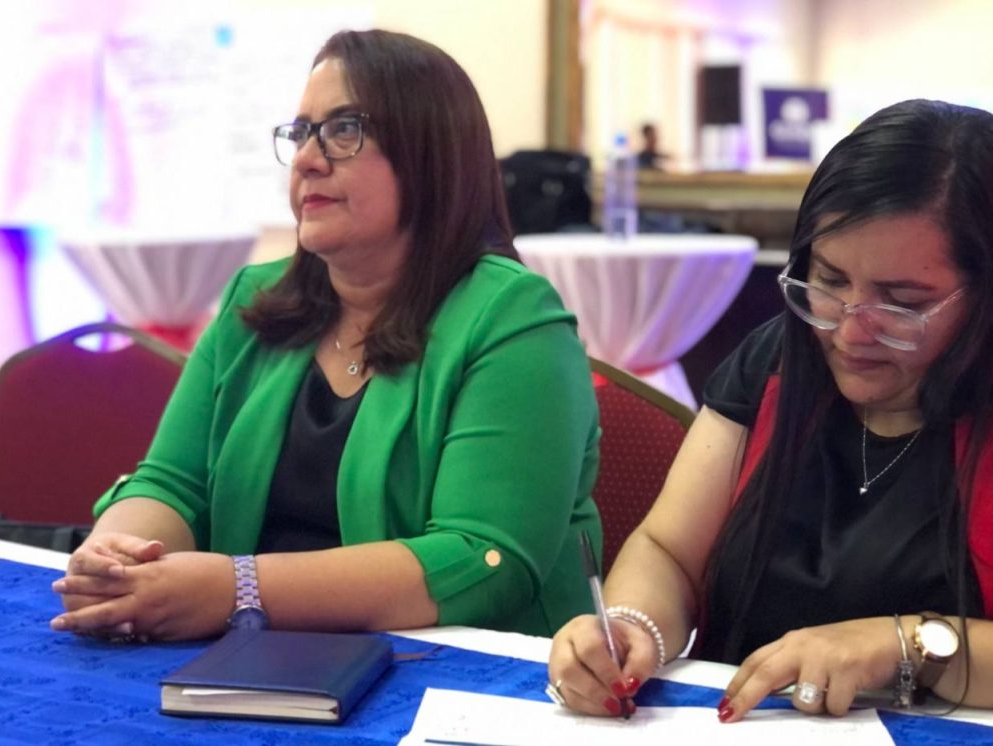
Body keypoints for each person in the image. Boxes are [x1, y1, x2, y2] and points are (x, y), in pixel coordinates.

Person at [50, 29, 601, 642]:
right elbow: (173, 483)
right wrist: (117, 556)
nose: (308, 159)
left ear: (429, 154)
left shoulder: (512, 317)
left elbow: (483, 560)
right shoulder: (254, 299)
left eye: (343, 130)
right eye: (301, 133)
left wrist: (239, 590)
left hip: (458, 669)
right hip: (258, 651)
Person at [548, 98, 993, 721]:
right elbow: (669, 551)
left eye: (901, 302)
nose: (849, 331)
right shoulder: (778, 360)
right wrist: (630, 627)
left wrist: (905, 645)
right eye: (829, 280)